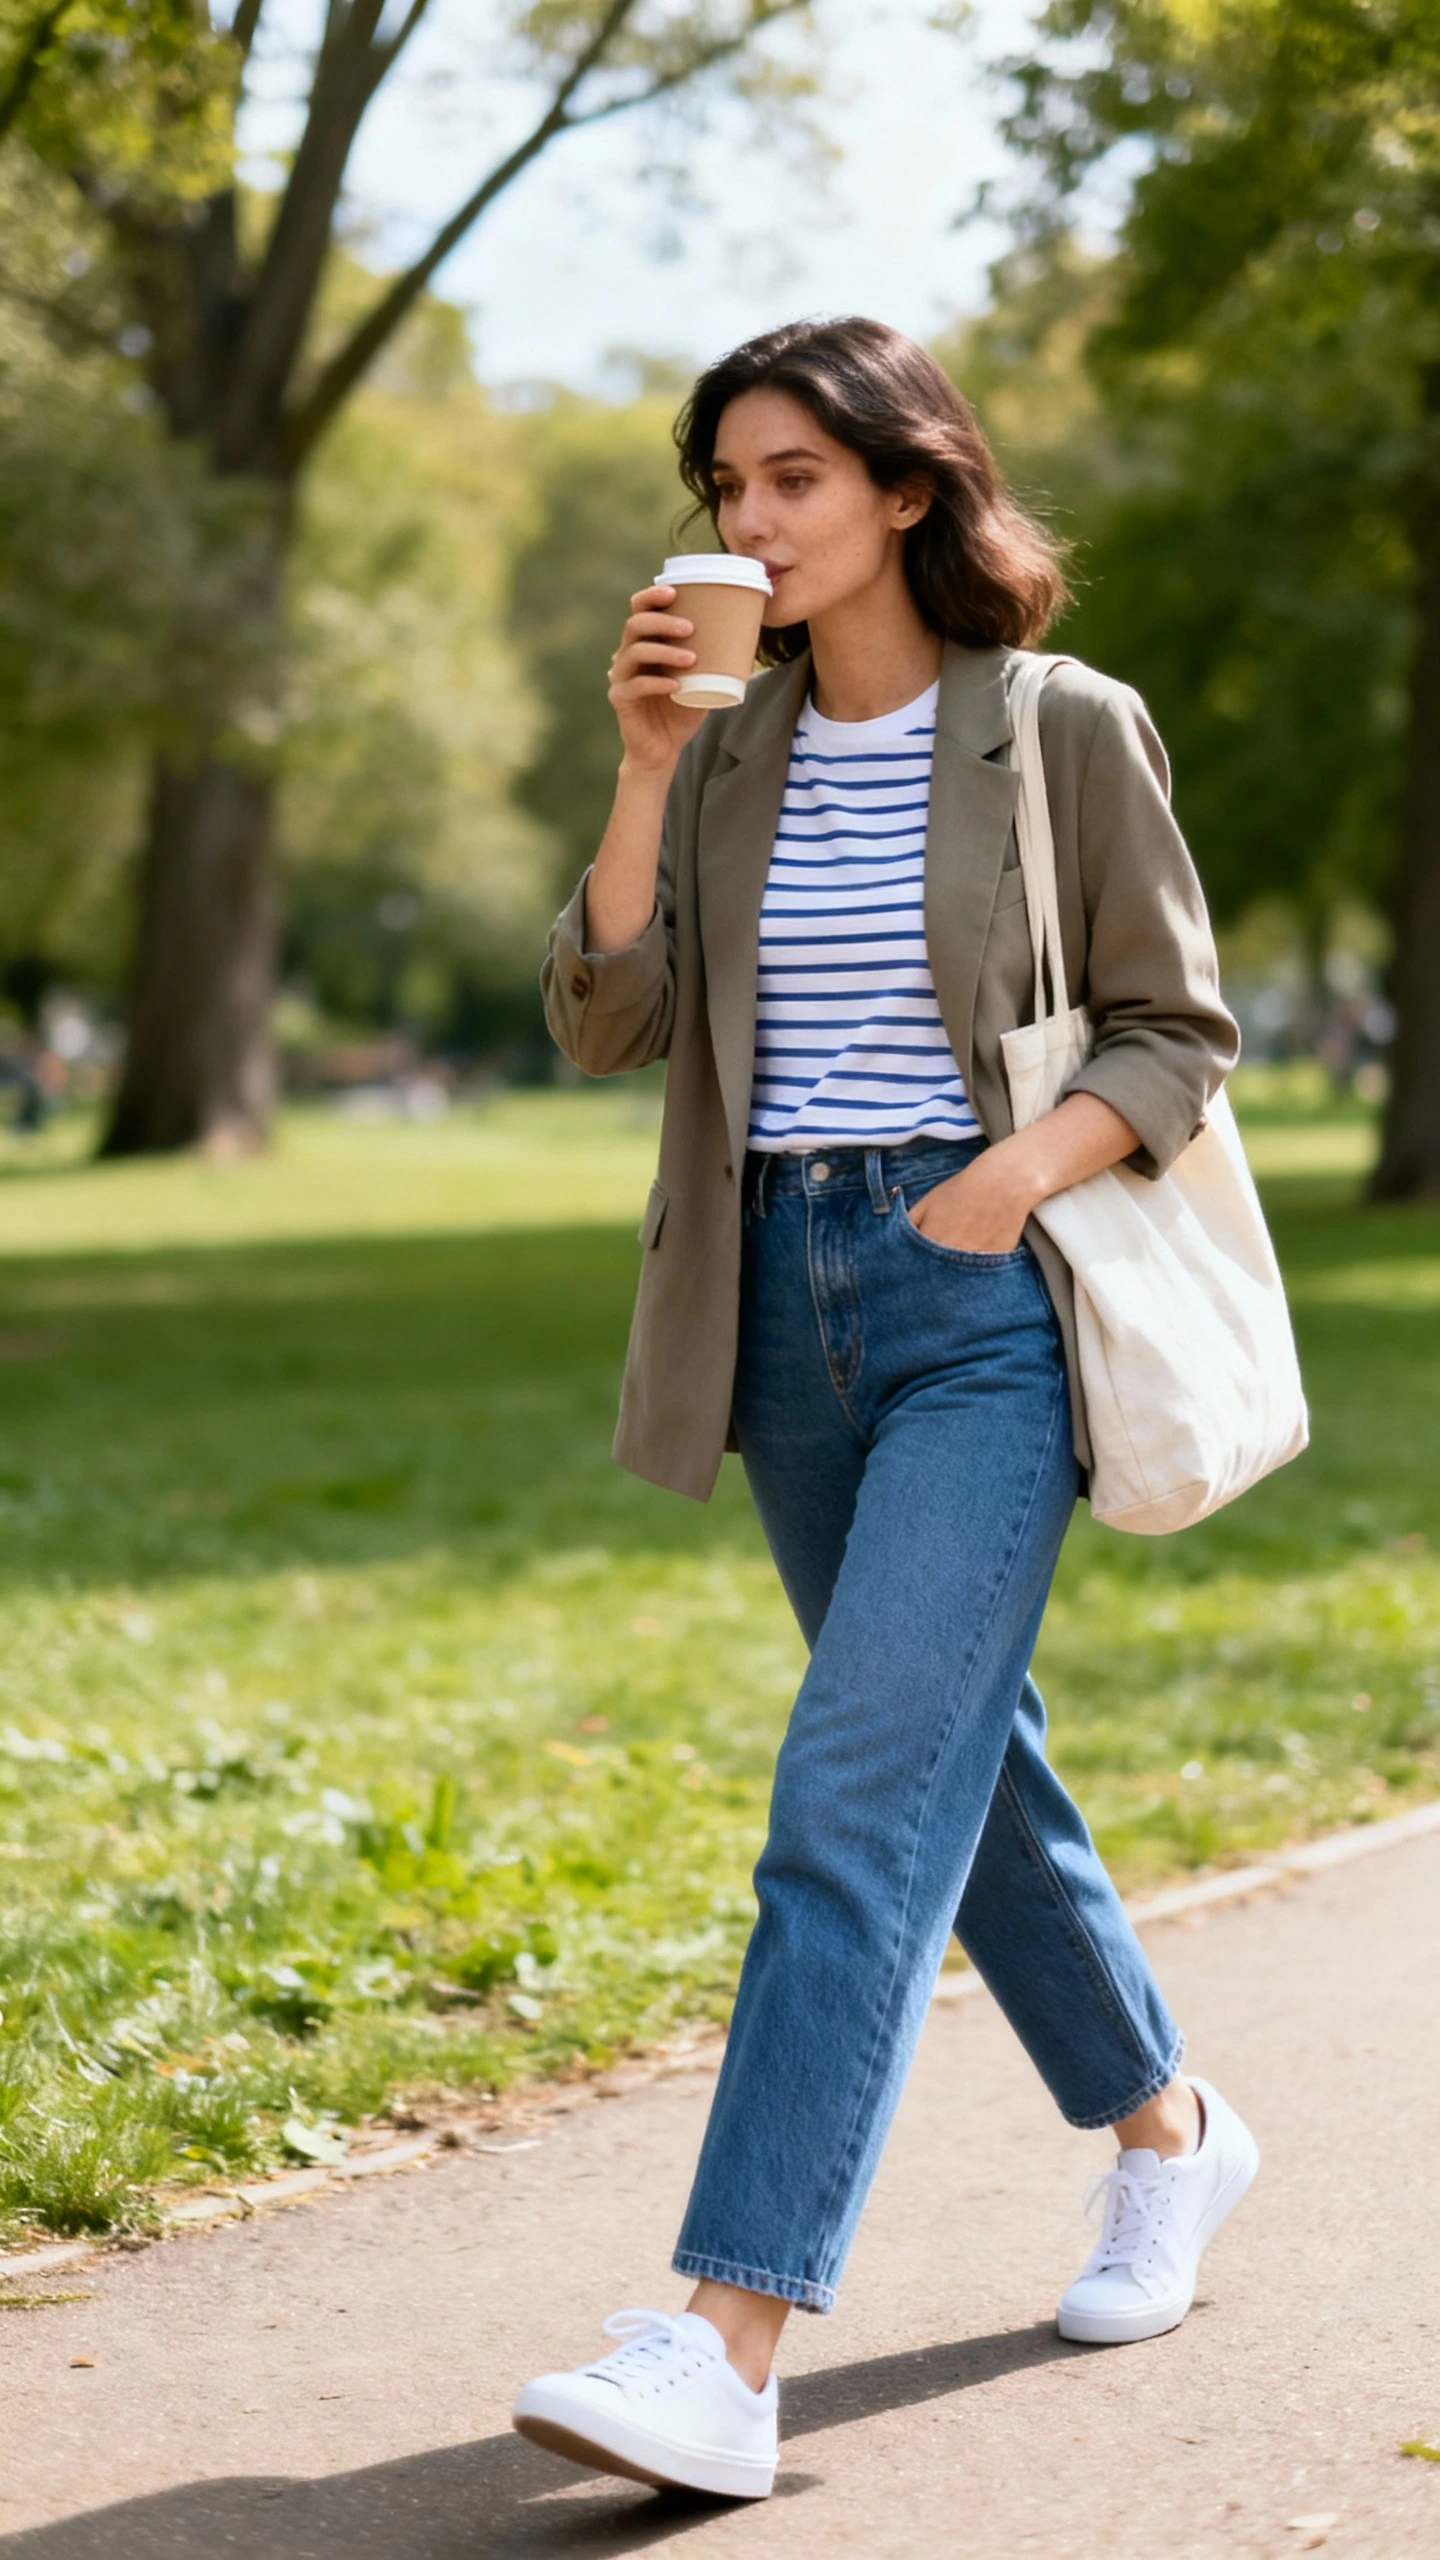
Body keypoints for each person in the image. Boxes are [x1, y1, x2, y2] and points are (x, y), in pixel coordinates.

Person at [512, 317, 1258, 2503]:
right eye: (725, 488)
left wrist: (1005, 1183)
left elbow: (1176, 1026)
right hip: (775, 1309)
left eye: (790, 482)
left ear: (906, 492)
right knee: (967, 1775)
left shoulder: (1055, 728)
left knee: (849, 1796)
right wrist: (646, 763)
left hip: (982, 1308)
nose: (745, 523)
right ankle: (1172, 2133)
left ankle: (724, 2339)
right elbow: (606, 1018)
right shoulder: (727, 751)